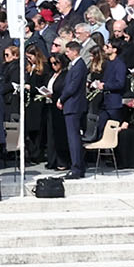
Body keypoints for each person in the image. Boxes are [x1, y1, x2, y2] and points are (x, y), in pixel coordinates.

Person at [55, 40, 89, 179]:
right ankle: (78, 166)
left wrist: (61, 98)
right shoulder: (74, 65)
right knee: (73, 137)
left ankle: (77, 168)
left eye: (68, 51)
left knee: (74, 137)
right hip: (72, 105)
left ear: (75, 51)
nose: (67, 54)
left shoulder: (79, 66)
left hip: (74, 105)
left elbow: (72, 86)